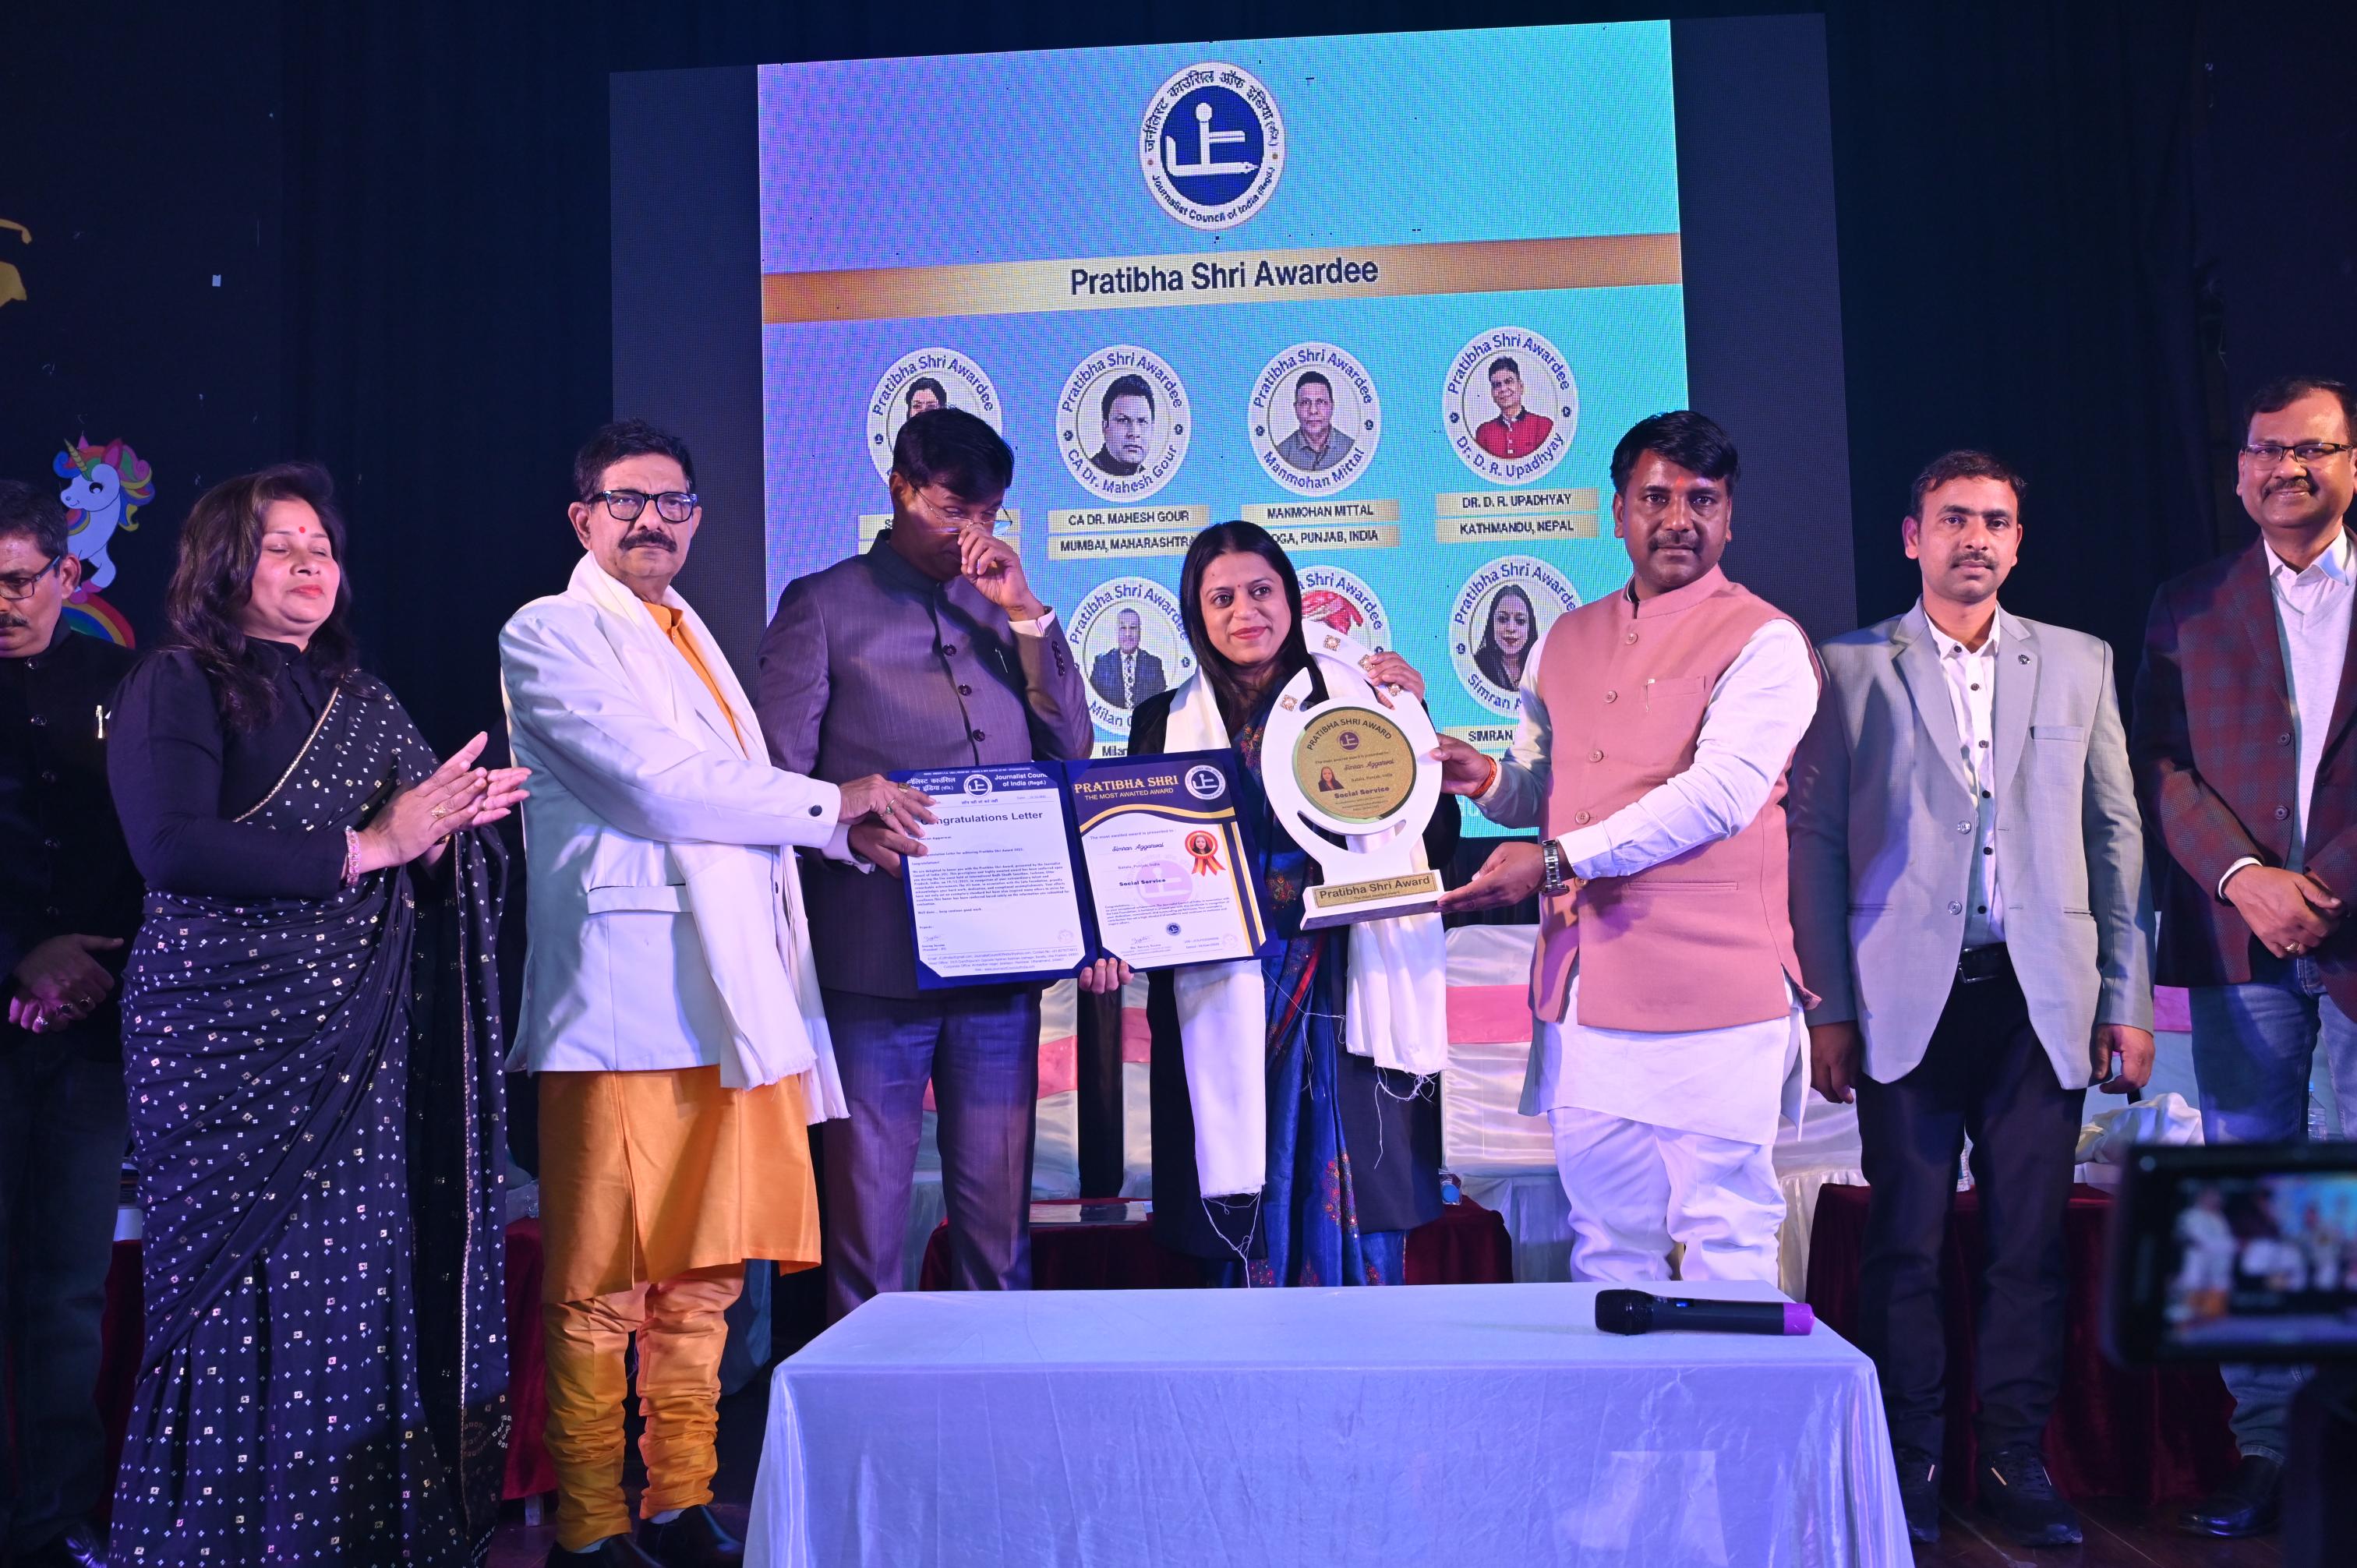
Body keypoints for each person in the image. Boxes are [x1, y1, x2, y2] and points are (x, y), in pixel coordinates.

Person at [500, 421, 910, 1566]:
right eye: (626, 501)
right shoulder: (549, 630)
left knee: (705, 1272)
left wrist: (840, 837)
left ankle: (679, 1500)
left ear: (696, 518)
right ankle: (590, 1520)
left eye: (673, 502)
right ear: (582, 518)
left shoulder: (692, 629)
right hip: (624, 1003)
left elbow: (734, 802)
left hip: (734, 998)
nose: (652, 521)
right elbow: (661, 785)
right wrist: (832, 806)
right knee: (601, 1278)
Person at [105, 463, 521, 1566]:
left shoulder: (364, 703)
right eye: (280, 545)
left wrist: (447, 838)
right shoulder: (176, 681)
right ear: (222, 564)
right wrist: (372, 846)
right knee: (231, 1294)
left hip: (354, 1046)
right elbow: (172, 847)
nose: (308, 564)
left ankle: (348, 1538)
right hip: (223, 1042)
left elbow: (421, 858)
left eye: (321, 548)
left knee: (349, 1287)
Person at [1787, 450, 2154, 1548]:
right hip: (1902, 997)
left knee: (2026, 1246)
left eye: (1995, 521)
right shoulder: (1850, 666)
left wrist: (2126, 995)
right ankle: (1909, 1460)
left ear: (2018, 541)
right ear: (1914, 537)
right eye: (1954, 519)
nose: (1975, 539)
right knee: (1903, 1242)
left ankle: (2012, 1458)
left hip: (2041, 999)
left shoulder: (2079, 660)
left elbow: (2115, 833)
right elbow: (1815, 842)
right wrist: (1826, 1007)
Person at [1434, 411, 1818, 1285]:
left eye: (1701, 500)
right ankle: (1622, 1387)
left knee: (1726, 1237)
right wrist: (1485, 778)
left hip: (1717, 993)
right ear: (1617, 512)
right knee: (1607, 1242)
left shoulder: (1767, 641)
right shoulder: (1564, 639)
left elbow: (1719, 797)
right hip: (1585, 988)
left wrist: (1557, 861)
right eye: (1656, 497)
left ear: (1729, 517)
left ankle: (1733, 1388)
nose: (1678, 518)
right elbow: (1542, 788)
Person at [758, 407, 1091, 1321]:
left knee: (999, 1227)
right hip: (874, 963)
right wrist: (845, 827)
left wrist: (1026, 612)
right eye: (953, 509)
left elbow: (1073, 749)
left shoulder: (1003, 605)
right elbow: (773, 784)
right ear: (900, 488)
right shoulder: (823, 605)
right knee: (867, 1228)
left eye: (989, 512)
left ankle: (995, 1386)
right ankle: (868, 1395)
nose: (973, 532)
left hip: (999, 960)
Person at [1078, 521, 1457, 1284]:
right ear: (1196, 615)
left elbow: (1438, 836)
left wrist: (1412, 722)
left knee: (1353, 1179)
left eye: (1261, 591)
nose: (1245, 612)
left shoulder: (1360, 698)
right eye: (1221, 598)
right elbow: (1136, 853)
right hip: (1216, 973)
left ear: (1291, 598)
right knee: (1231, 1197)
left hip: (1345, 974)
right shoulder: (1161, 718)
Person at [2132, 375, 2357, 1540]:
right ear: (2239, 471)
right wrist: (2244, 877)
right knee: (2251, 1191)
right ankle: (2268, 1445)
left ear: (2353, 464)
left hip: (2353, 920)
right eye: (2268, 450)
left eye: (2313, 449)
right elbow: (2159, 764)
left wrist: (2325, 885)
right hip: (2238, 932)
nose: (2289, 469)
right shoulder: (2188, 602)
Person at [0, 480, 140, 1568]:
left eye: (17, 580)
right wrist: (19, 956)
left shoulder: (127, 684)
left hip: (93, 1025)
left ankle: (50, 1521)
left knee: (66, 1288)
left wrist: (93, 970)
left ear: (68, 575)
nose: (1, 602)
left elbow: (162, 842)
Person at [1473, 355, 1555, 461]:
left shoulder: (1543, 426)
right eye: (1497, 385)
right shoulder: (1484, 432)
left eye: (1508, 381)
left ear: (1521, 387)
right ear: (1492, 393)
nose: (1503, 389)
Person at [1274, 371, 1355, 473]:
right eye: (1305, 402)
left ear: (1332, 406)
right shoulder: (1280, 454)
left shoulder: (1352, 449)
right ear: (1296, 409)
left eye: (1321, 402)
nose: (1313, 411)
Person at [1088, 606, 1168, 710]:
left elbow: (1162, 704)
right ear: (1117, 631)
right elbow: (1092, 700)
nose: (1128, 634)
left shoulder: (1154, 664)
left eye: (1133, 628)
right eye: (1123, 628)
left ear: (1140, 631)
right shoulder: (1102, 664)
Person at [1472, 583, 1538, 691]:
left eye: (1520, 621)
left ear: (1529, 627)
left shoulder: (1540, 666)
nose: (1511, 628)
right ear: (1492, 624)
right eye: (1502, 619)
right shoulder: (1476, 665)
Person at [1090, 373, 1154, 478]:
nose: (1134, 433)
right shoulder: (1088, 473)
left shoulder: (1151, 479)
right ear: (1105, 427)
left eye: (1142, 421)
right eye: (1123, 420)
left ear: (1152, 428)